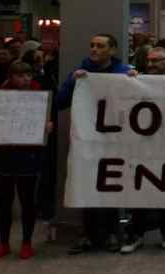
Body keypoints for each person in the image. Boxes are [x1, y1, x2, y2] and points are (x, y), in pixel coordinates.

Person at [56, 33, 134, 254]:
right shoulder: (80, 74)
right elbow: (60, 102)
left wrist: (135, 81)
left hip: (114, 140)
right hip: (88, 140)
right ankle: (89, 234)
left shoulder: (123, 73)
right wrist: (73, 82)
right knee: (87, 184)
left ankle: (110, 233)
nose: (94, 49)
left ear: (112, 50)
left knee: (111, 185)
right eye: (91, 45)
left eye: (100, 46)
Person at [0, 62, 51, 261]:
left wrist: (47, 126)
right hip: (2, 154)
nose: (25, 79)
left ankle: (26, 242)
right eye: (20, 75)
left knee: (27, 201)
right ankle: (3, 243)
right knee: (4, 202)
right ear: (11, 76)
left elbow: (45, 121)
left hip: (27, 154)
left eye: (28, 75)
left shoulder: (40, 97)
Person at [121, 47, 165, 254]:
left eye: (156, 61)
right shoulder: (138, 79)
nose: (151, 64)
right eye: (149, 60)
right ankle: (136, 233)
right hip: (143, 143)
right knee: (140, 189)